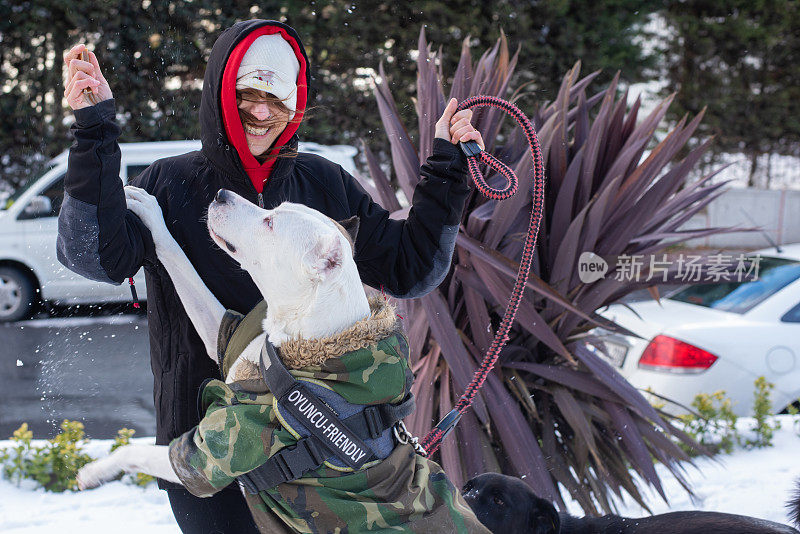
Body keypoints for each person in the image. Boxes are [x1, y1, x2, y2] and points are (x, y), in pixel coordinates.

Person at [60, 19, 484, 534]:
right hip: (210, 457)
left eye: (277, 100)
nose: (261, 113)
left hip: (325, 473)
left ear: (296, 103)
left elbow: (410, 267)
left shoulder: (324, 187)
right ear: (220, 92)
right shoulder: (170, 185)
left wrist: (447, 168)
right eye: (248, 94)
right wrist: (93, 130)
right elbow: (94, 256)